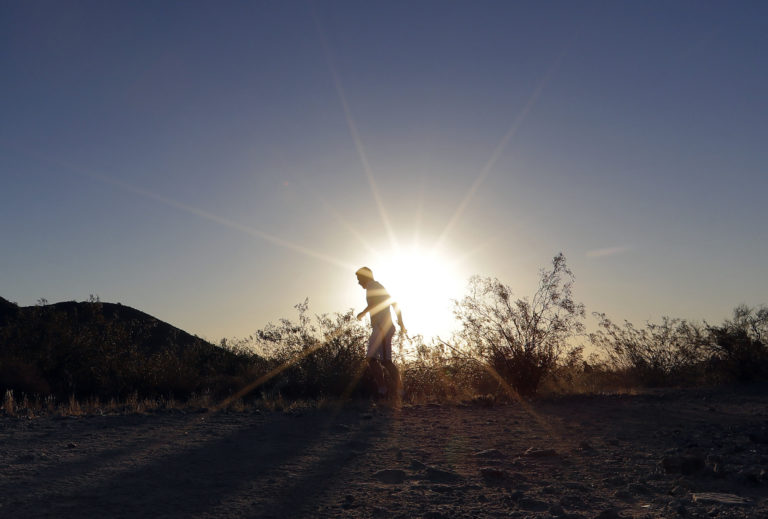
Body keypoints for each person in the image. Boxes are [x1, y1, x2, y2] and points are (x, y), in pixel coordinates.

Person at [355, 266, 406, 398]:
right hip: (379, 328)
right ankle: (383, 390)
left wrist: (363, 313)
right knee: (371, 359)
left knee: (385, 361)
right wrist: (400, 321)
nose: (358, 282)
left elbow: (379, 303)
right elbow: (393, 303)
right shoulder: (376, 286)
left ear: (365, 277)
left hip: (383, 328)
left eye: (359, 278)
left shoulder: (374, 286)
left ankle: (399, 391)